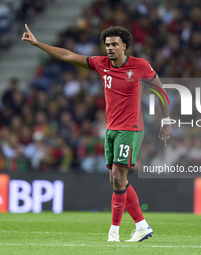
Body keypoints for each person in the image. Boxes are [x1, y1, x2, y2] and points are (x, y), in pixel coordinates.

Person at [22, 24, 171, 242]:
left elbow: (160, 90)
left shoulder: (140, 66)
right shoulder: (101, 64)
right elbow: (68, 55)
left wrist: (166, 121)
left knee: (119, 177)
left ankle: (114, 233)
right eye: (107, 44)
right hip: (110, 129)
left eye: (114, 44)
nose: (109, 48)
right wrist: (38, 44)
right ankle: (141, 226)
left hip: (130, 129)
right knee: (116, 180)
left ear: (125, 46)